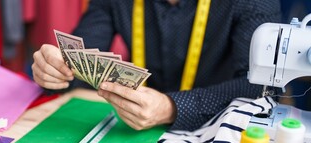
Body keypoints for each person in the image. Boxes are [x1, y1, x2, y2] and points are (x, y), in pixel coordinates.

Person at [32, 0, 281, 131]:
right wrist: (54, 70)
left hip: (220, 130)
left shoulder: (253, 1)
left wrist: (173, 108)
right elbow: (80, 61)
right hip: (131, 128)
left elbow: (262, 88)